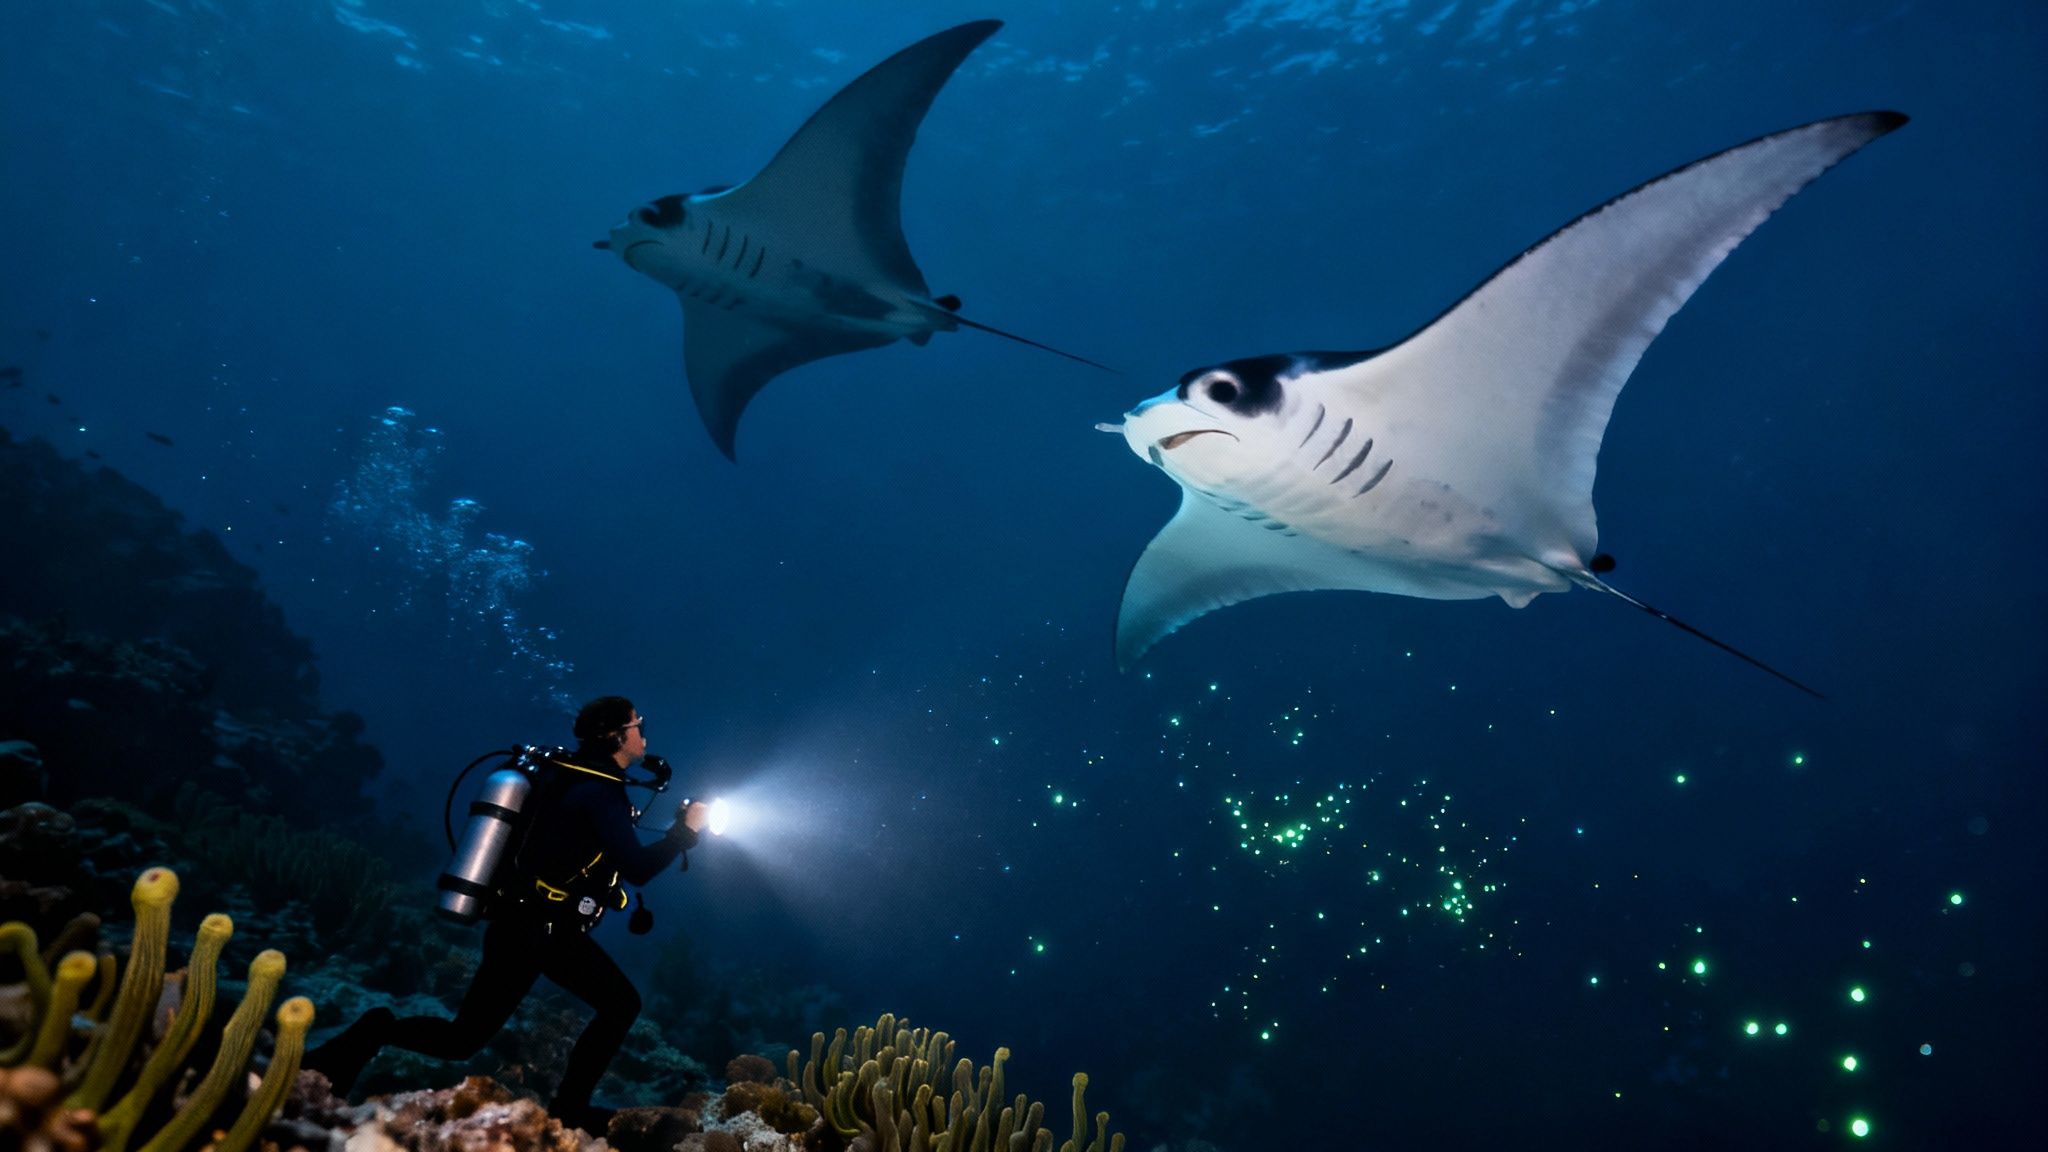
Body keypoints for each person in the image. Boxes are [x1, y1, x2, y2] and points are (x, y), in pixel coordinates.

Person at [304, 696, 708, 1134]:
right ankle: (569, 1110)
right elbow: (638, 870)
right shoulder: (601, 791)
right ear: (615, 736)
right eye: (636, 724)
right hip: (540, 933)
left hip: (521, 923)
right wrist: (683, 834)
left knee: (463, 1038)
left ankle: (371, 1031)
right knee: (619, 1005)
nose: (643, 730)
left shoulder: (569, 773)